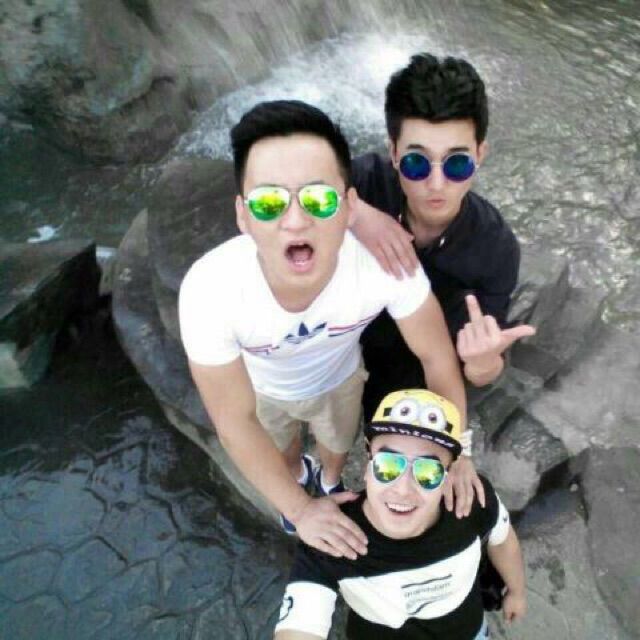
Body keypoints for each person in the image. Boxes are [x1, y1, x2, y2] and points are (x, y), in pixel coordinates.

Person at [178, 100, 474, 559]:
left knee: (337, 442)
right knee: (282, 451)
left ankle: (330, 480)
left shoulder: (385, 267)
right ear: (242, 215)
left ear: (350, 206)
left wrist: (458, 451)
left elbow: (436, 357)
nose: (296, 220)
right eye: (269, 202)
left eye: (319, 199)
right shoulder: (210, 290)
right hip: (263, 392)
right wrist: (300, 510)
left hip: (340, 380)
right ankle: (301, 480)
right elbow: (234, 420)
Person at [350, 53, 536, 422]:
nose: (436, 184)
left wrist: (484, 363)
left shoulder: (494, 248)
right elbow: (288, 188)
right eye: (417, 163)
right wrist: (356, 213)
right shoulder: (363, 183)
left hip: (414, 370)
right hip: (340, 338)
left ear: (480, 154)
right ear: (393, 152)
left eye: (457, 163)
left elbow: (480, 369)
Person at [274, 389, 527, 640]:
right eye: (388, 465)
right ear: (368, 463)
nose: (403, 489)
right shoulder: (331, 537)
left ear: (449, 475)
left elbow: (502, 540)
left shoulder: (471, 500)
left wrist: (517, 591)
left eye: (427, 471)